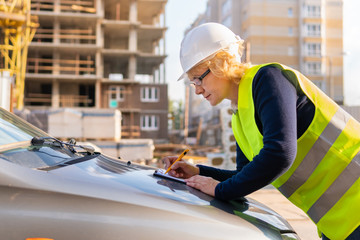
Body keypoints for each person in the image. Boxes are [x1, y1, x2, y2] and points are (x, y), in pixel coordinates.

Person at [163, 22, 360, 240]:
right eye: (193, 82)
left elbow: (279, 153)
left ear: (221, 63)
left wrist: (219, 190)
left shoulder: (268, 79)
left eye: (199, 78)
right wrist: (199, 172)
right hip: (338, 223)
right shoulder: (239, 116)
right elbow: (244, 175)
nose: (198, 89)